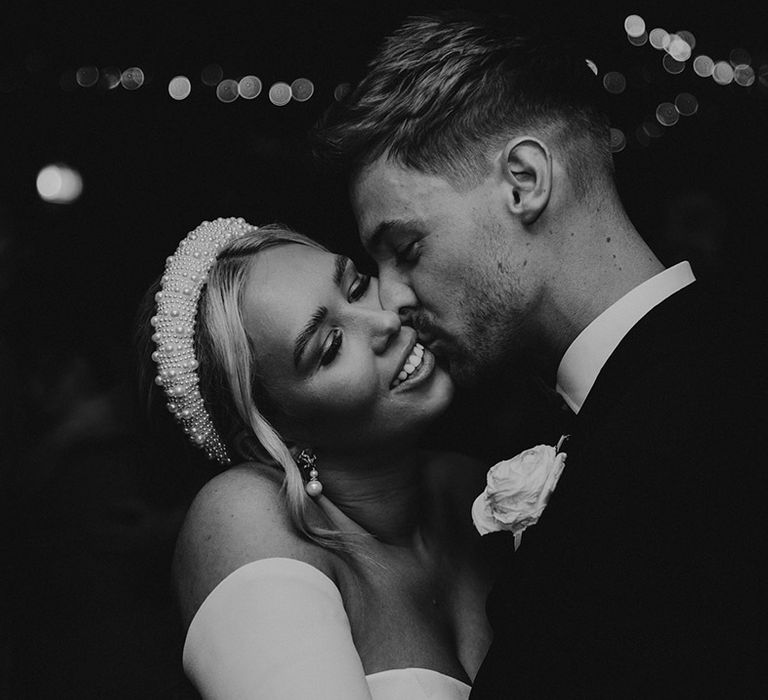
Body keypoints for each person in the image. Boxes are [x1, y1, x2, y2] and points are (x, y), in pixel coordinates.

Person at [311, 10, 765, 696]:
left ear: (524, 181)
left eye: (406, 250)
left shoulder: (693, 436)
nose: (392, 300)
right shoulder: (676, 379)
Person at [137, 217, 496, 699]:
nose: (387, 321)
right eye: (329, 347)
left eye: (356, 286)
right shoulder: (242, 516)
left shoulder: (475, 489)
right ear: (271, 435)